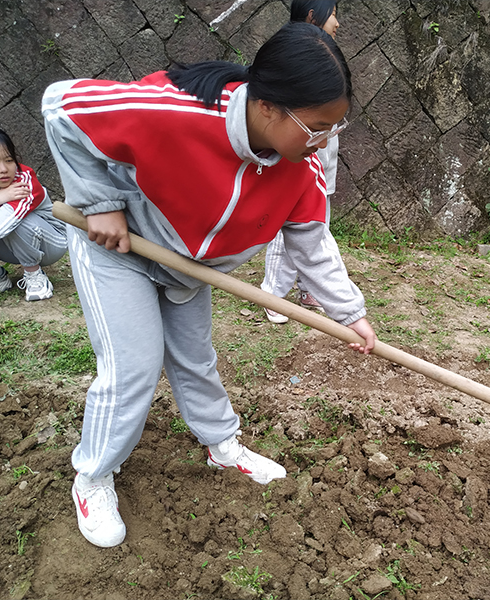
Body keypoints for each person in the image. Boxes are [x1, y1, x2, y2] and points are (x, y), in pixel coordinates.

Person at [41, 21, 376, 548]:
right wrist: (99, 203)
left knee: (194, 358)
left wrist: (348, 314)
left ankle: (223, 445)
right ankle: (93, 474)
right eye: (317, 126)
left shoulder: (297, 165)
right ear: (268, 107)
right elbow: (61, 106)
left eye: (335, 126)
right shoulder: (174, 111)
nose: (324, 140)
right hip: (120, 248)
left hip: (187, 269)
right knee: (135, 365)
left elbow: (313, 242)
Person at [261, 0, 341, 323]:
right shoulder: (293, 53)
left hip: (321, 150)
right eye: (334, 14)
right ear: (312, 15)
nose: (338, 22)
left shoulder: (325, 53)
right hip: (300, 151)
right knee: (296, 222)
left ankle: (309, 289)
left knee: (318, 219)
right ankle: (273, 295)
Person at [0, 125, 66, 301]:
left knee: (18, 221)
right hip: (6, 246)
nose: (4, 169)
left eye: (9, 160)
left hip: (50, 245)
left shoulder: (24, 182)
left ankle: (34, 275)